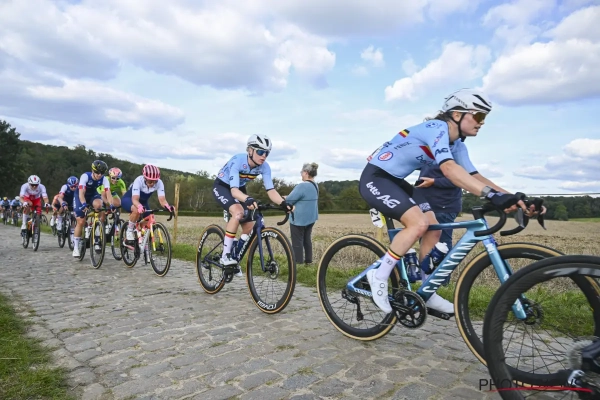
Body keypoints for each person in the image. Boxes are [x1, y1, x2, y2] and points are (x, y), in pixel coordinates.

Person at [359, 88, 544, 315]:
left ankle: (427, 290)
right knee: (418, 224)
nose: (482, 123)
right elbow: (449, 169)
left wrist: (516, 198)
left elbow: (475, 177)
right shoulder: (436, 128)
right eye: (479, 116)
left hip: (397, 182)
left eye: (484, 117)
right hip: (376, 178)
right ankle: (378, 276)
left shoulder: (457, 145)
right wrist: (491, 195)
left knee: (434, 229)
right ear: (457, 114)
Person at [212, 134, 293, 276]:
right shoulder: (238, 161)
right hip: (223, 186)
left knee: (249, 226)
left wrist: (282, 203)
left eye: (267, 153)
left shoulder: (265, 167)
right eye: (260, 152)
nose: (264, 156)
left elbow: (271, 190)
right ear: (250, 150)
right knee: (238, 212)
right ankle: (225, 256)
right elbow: (234, 191)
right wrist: (247, 199)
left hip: (239, 188)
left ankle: (235, 255)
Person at [413, 163, 462, 284]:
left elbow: (460, 179)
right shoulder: (430, 155)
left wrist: (434, 182)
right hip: (426, 205)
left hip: (443, 206)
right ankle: (425, 280)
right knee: (426, 242)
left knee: (441, 245)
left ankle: (440, 283)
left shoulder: (453, 155)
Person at [121, 164, 174, 243]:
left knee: (149, 219)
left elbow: (162, 200)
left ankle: (141, 239)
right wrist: (139, 206)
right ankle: (130, 230)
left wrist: (167, 206)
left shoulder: (159, 183)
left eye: (155, 181)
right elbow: (135, 199)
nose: (152, 183)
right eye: (150, 181)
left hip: (143, 202)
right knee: (136, 210)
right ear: (145, 178)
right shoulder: (138, 180)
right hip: (130, 199)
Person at [73, 160, 113, 257]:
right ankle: (76, 247)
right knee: (81, 221)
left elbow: (108, 194)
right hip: (80, 196)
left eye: (102, 173)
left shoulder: (104, 179)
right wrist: (83, 204)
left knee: (99, 205)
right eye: (97, 172)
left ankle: (96, 232)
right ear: (92, 171)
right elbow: (81, 193)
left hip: (92, 195)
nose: (99, 175)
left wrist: (111, 205)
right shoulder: (85, 176)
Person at [284, 162, 320, 265]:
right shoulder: (315, 185)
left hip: (299, 219)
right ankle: (308, 261)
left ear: (306, 172)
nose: (301, 174)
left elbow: (290, 200)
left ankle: (298, 263)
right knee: (307, 240)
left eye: (302, 172)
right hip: (311, 218)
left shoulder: (302, 186)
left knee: (297, 242)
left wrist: (284, 198)